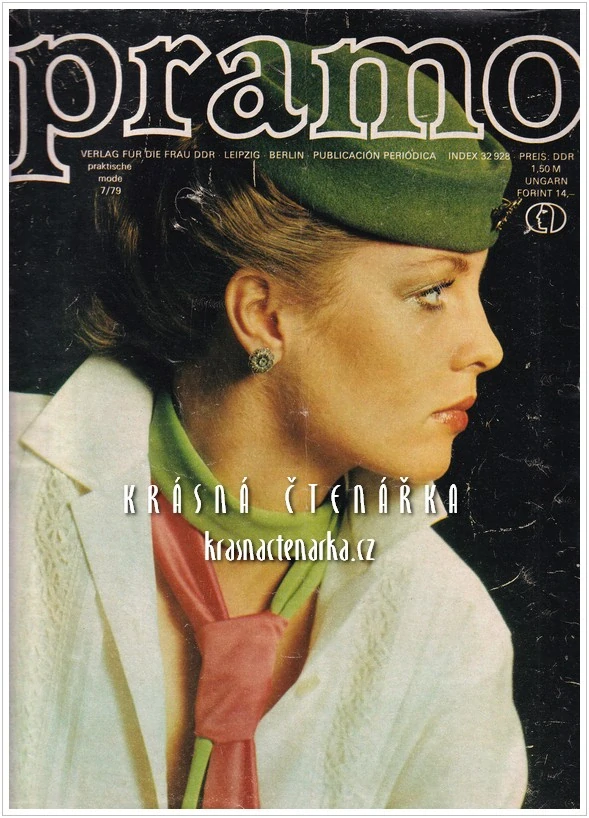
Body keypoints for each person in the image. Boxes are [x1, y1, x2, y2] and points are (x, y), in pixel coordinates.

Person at [10, 40, 527, 809]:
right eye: (430, 292)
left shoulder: (451, 632)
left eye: (474, 290)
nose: (485, 347)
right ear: (263, 315)